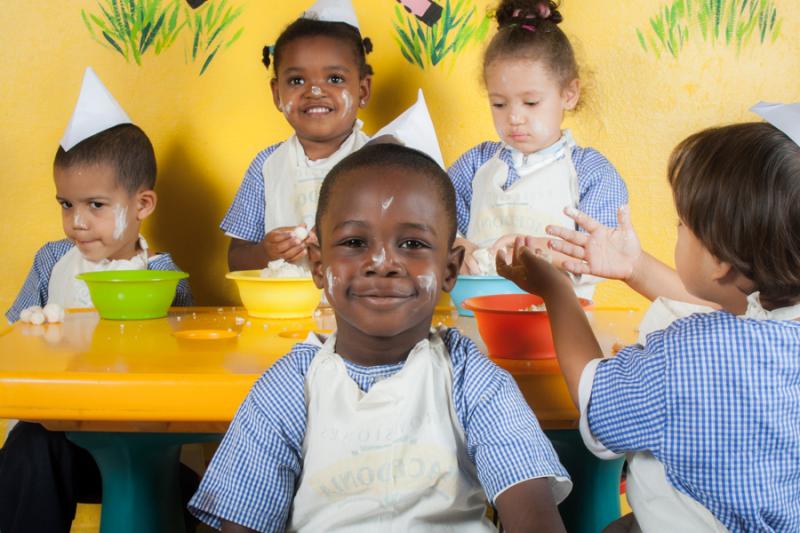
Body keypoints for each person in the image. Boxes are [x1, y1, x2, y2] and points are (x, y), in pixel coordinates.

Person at [190, 143, 571, 532]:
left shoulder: (470, 379)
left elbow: (534, 516)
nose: (383, 263)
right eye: (355, 243)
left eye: (413, 244)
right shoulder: (289, 388)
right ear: (319, 267)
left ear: (449, 270)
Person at [498, 117, 800, 531]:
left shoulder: (691, 354)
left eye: (682, 225)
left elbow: (595, 399)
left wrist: (556, 292)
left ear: (720, 260)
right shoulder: (778, 324)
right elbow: (730, 305)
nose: (677, 230)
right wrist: (634, 266)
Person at [0, 67, 196, 533]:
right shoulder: (53, 261)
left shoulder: (163, 275)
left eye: (96, 205)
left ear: (142, 205)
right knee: (30, 447)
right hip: (64, 444)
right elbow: (14, 342)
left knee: (188, 495)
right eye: (66, 204)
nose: (77, 222)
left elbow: (189, 360)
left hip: (141, 443)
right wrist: (34, 329)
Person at [448, 0, 627, 298]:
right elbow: (432, 219)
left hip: (559, 324)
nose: (514, 117)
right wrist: (457, 246)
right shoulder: (475, 164)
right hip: (477, 314)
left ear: (568, 95)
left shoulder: (590, 172)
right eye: (499, 104)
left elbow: (605, 252)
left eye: (531, 103)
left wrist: (534, 249)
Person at [222, 0, 373, 271]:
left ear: (362, 90)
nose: (315, 91)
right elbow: (236, 260)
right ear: (277, 94)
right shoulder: (266, 167)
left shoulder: (383, 161)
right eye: (296, 81)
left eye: (335, 79)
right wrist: (268, 252)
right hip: (284, 310)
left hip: (365, 309)